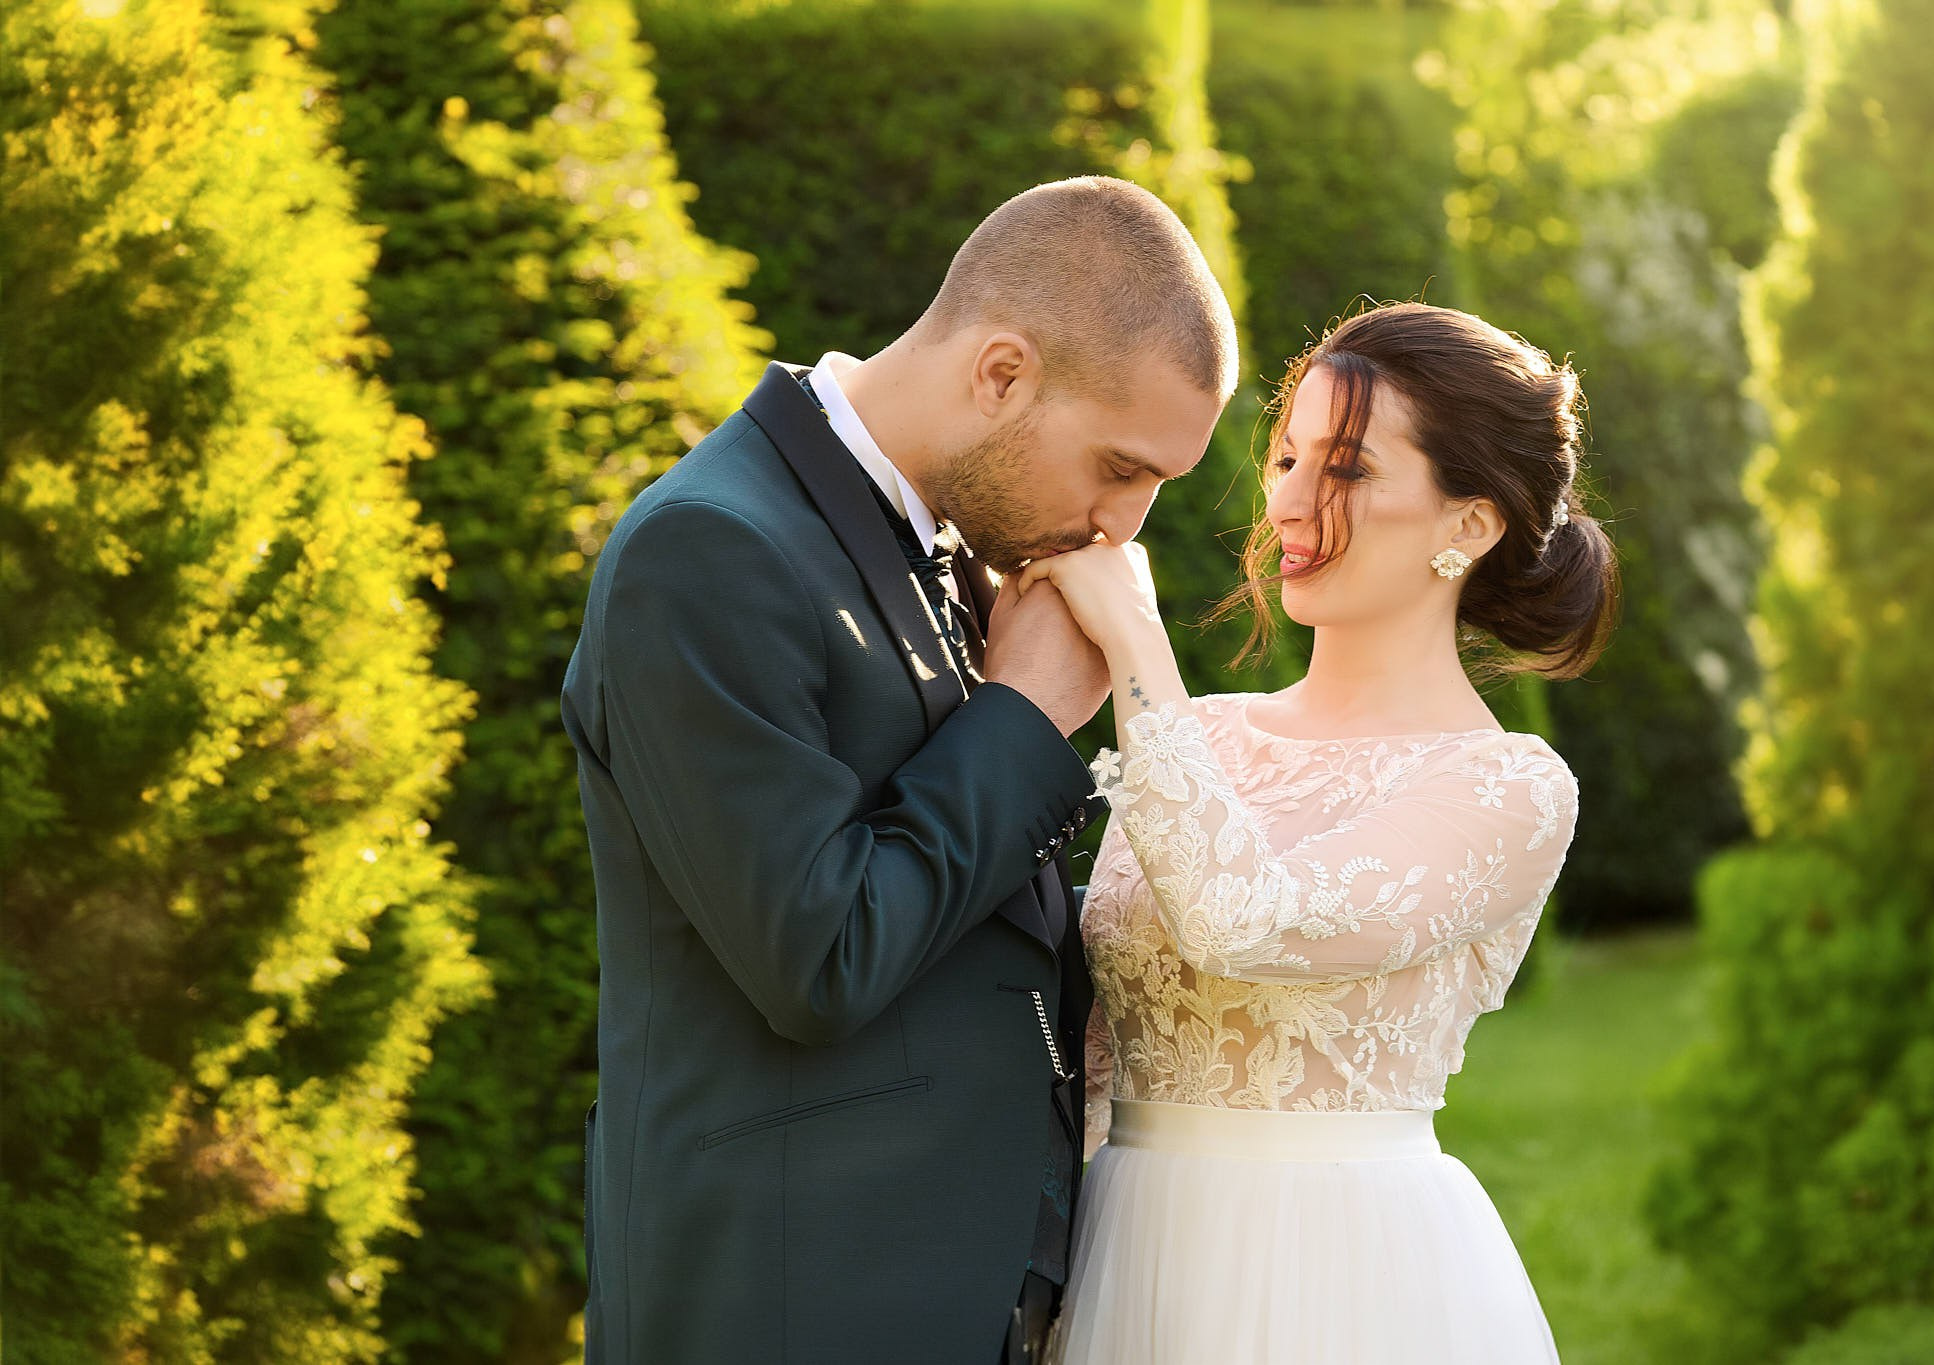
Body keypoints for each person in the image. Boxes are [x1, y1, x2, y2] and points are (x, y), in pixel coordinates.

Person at [559, 175, 1237, 1363]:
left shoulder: (953, 544)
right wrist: (1023, 716)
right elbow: (816, 956)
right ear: (1002, 374)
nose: (1120, 526)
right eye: (1119, 467)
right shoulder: (709, 547)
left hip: (957, 1288)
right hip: (790, 1300)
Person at [1021, 301, 1618, 1365]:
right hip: (1127, 1264)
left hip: (1339, 1281)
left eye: (1345, 468)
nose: (1289, 502)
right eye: (1288, 458)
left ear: (1467, 526)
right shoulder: (1198, 737)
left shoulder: (1508, 788)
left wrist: (1133, 640)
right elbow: (1096, 1049)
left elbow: (1241, 922)